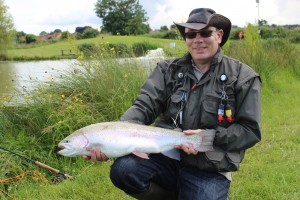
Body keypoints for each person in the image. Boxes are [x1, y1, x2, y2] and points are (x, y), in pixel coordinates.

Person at [85, 8, 261, 200]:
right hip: (165, 156)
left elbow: (249, 130)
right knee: (124, 170)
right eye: (191, 34)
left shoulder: (243, 77)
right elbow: (143, 106)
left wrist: (209, 137)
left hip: (210, 165)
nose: (198, 39)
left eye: (205, 33)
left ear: (219, 35)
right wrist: (113, 136)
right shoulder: (166, 70)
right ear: (186, 38)